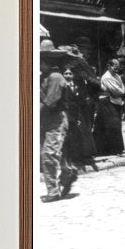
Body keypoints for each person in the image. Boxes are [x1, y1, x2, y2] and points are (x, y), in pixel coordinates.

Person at [38, 42, 78, 202]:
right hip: (49, 119)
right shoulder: (47, 76)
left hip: (55, 119)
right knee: (54, 153)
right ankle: (68, 172)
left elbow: (50, 102)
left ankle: (53, 191)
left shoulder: (55, 77)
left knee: (48, 154)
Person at [96, 58, 125, 155]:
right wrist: (121, 92)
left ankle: (116, 148)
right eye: (114, 67)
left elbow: (122, 88)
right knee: (111, 125)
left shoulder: (117, 76)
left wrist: (121, 92)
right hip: (107, 102)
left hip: (116, 101)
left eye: (118, 67)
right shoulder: (107, 77)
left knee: (116, 125)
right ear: (109, 66)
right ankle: (111, 149)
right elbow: (117, 91)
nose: (116, 69)